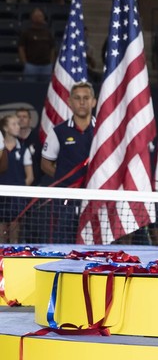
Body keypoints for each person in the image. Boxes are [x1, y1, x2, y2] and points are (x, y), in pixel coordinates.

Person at [41, 81, 96, 244]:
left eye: (86, 98)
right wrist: (67, 182)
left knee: (94, 244)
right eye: (77, 98)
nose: (82, 102)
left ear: (94, 101)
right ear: (69, 102)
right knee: (63, 242)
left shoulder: (104, 130)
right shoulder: (59, 131)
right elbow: (46, 164)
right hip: (66, 200)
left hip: (96, 198)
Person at [0, 114, 34, 243]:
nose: (18, 127)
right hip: (1, 196)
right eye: (13, 124)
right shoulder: (1, 150)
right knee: (1, 232)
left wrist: (18, 192)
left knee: (15, 232)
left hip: (16, 198)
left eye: (18, 124)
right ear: (5, 128)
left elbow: (30, 177)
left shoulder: (24, 150)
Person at [18, 7, 55, 81]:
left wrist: (51, 63)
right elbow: (21, 48)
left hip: (46, 66)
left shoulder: (48, 33)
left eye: (40, 16)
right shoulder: (26, 33)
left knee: (46, 89)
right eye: (36, 16)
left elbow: (52, 48)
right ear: (32, 18)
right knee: (29, 89)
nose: (38, 18)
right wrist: (25, 63)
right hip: (31, 66)